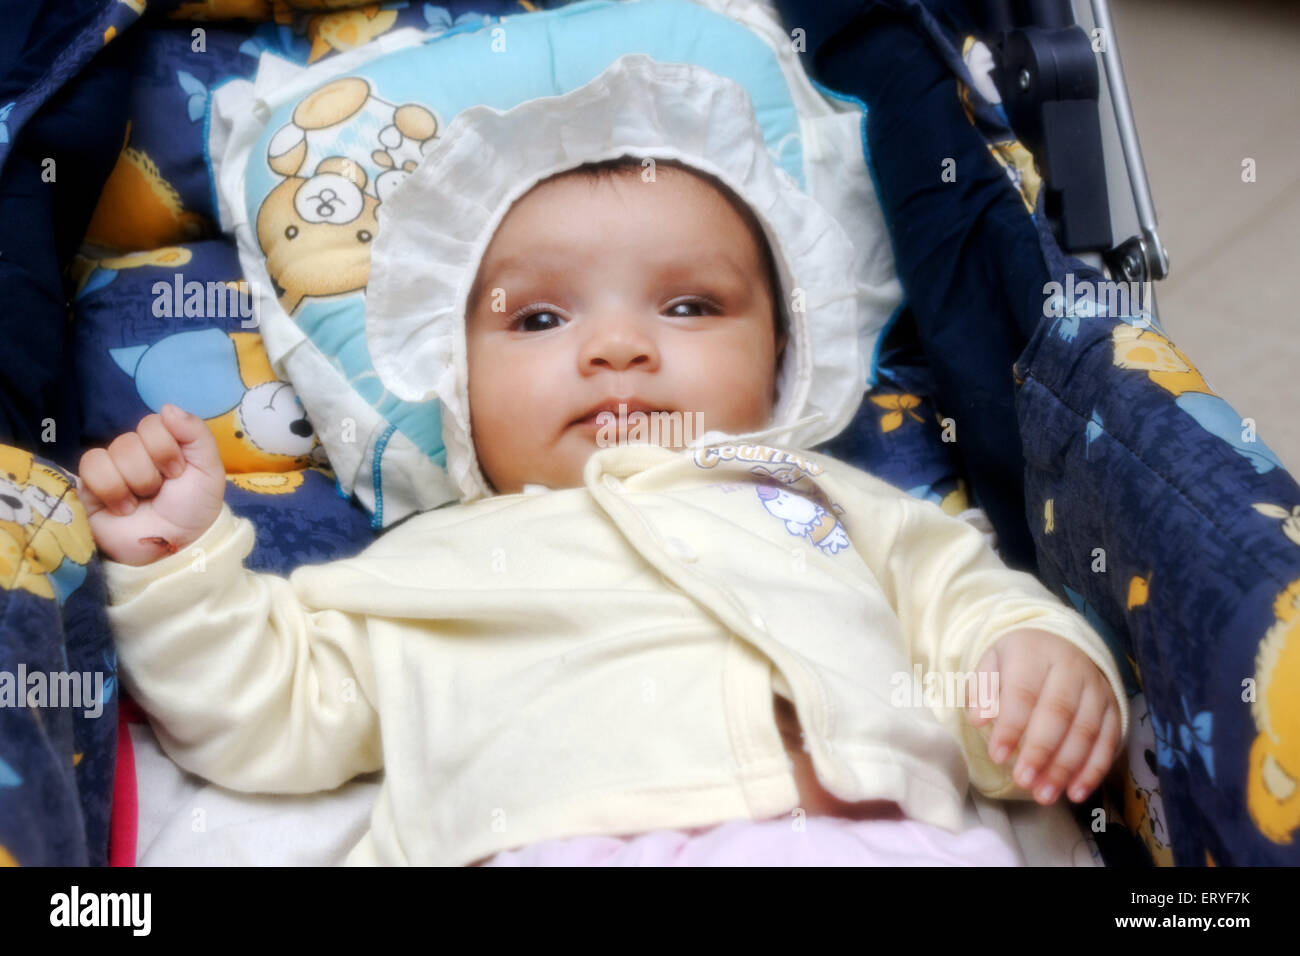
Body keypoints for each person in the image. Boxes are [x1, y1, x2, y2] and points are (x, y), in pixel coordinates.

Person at [78, 56, 1127, 866]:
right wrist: (176, 562)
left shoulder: (839, 506)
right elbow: (267, 702)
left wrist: (1035, 668)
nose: (616, 345)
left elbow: (973, 609)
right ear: (456, 380)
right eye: (537, 316)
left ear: (784, 362)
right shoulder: (426, 566)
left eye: (688, 305)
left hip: (880, 837)